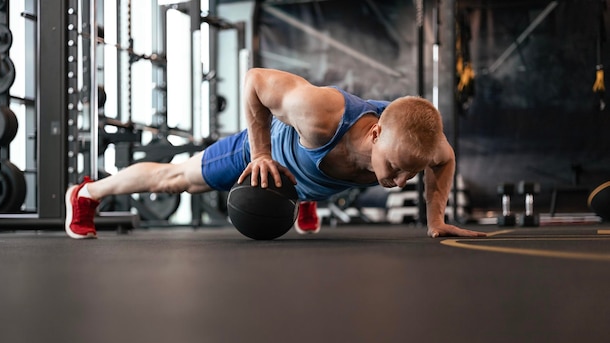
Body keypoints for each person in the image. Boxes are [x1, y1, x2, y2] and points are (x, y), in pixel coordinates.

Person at [65, 68, 486, 239]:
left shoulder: (420, 143)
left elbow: (444, 160)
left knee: (316, 185)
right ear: (375, 134)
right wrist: (262, 152)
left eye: (408, 175)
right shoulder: (320, 114)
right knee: (177, 179)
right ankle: (86, 195)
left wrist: (436, 219)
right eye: (393, 169)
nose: (397, 182)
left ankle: (302, 199)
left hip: (311, 177)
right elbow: (253, 80)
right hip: (270, 157)